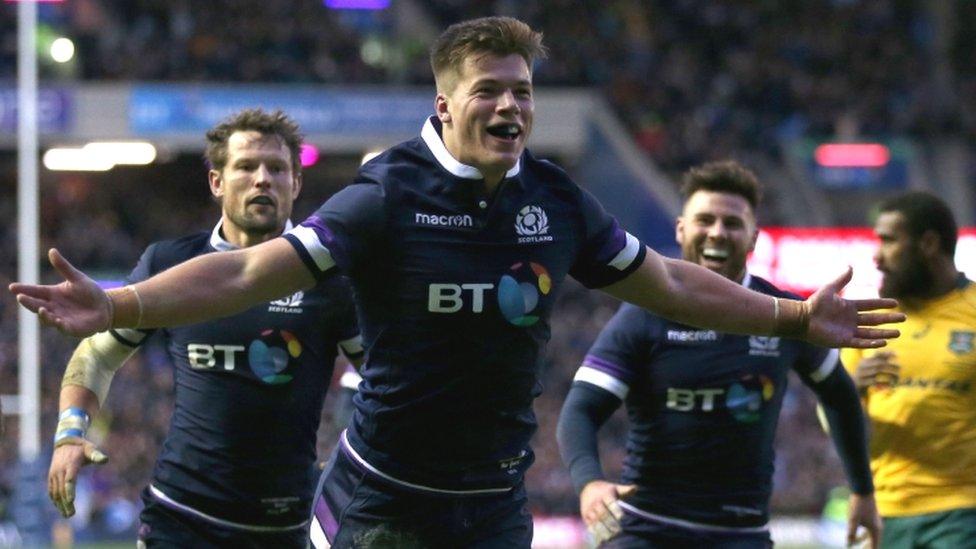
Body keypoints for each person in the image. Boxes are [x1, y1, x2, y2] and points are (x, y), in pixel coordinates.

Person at [11, 17, 903, 548]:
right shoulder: (387, 193)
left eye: (522, 91)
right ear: (445, 104)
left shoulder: (556, 201)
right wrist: (121, 304)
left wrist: (788, 313)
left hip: (494, 503)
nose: (511, 106)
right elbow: (250, 269)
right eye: (488, 91)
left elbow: (670, 282)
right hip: (379, 500)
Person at [44, 109, 364, 548]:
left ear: (297, 183)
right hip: (180, 517)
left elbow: (385, 376)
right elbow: (96, 354)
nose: (262, 179)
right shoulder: (171, 264)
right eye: (246, 166)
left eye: (276, 168)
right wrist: (69, 433)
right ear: (217, 181)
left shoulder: (333, 280)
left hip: (285, 525)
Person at [556, 161, 881, 548]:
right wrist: (589, 483)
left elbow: (840, 396)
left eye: (732, 223)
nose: (717, 233)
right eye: (705, 220)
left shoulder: (791, 314)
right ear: (681, 229)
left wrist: (862, 489)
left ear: (754, 237)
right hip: (646, 528)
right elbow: (580, 409)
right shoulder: (642, 316)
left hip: (741, 534)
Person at [842, 191, 976, 549]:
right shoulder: (869, 321)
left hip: (962, 511)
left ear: (929, 243)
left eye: (888, 240)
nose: (877, 256)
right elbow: (833, 422)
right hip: (887, 513)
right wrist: (850, 390)